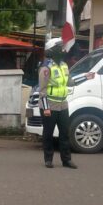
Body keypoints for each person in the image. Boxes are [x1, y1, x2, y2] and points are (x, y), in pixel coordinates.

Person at [39, 38, 77, 169]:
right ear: (52, 50)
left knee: (64, 133)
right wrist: (46, 108)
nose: (63, 49)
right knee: (48, 133)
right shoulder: (46, 67)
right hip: (50, 104)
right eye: (60, 47)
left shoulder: (64, 65)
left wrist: (86, 77)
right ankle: (48, 159)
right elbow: (42, 89)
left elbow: (69, 82)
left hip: (63, 104)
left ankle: (66, 160)